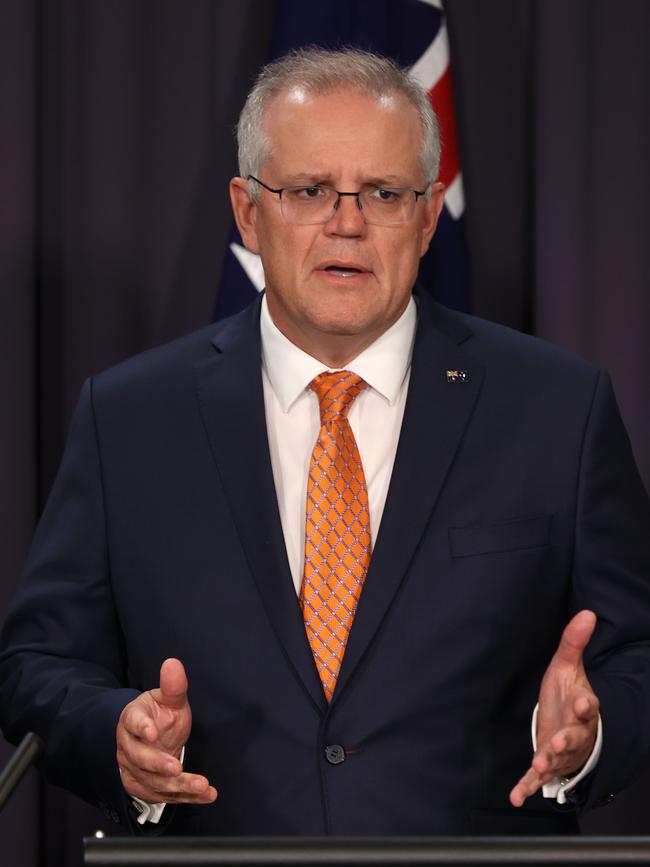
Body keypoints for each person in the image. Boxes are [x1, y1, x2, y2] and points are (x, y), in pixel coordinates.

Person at [1, 47, 650, 838]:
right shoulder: (130, 416)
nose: (347, 222)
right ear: (247, 211)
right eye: (309, 190)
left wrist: (594, 732)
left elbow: (637, 656)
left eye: (383, 192)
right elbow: (36, 664)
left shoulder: (557, 409)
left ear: (426, 213)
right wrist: (117, 733)